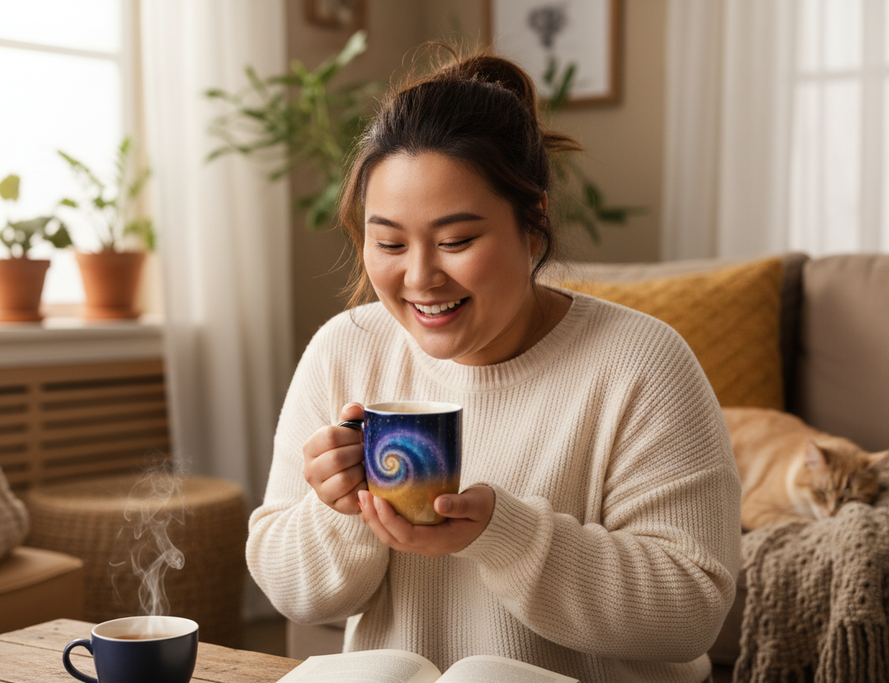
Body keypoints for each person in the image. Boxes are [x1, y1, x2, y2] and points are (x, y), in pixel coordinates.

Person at [246, 47, 740, 683]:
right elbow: (295, 596)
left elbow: (692, 609)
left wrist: (506, 535)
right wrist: (340, 511)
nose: (420, 277)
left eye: (456, 241)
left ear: (532, 224)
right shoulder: (345, 349)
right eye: (389, 242)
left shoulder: (642, 364)